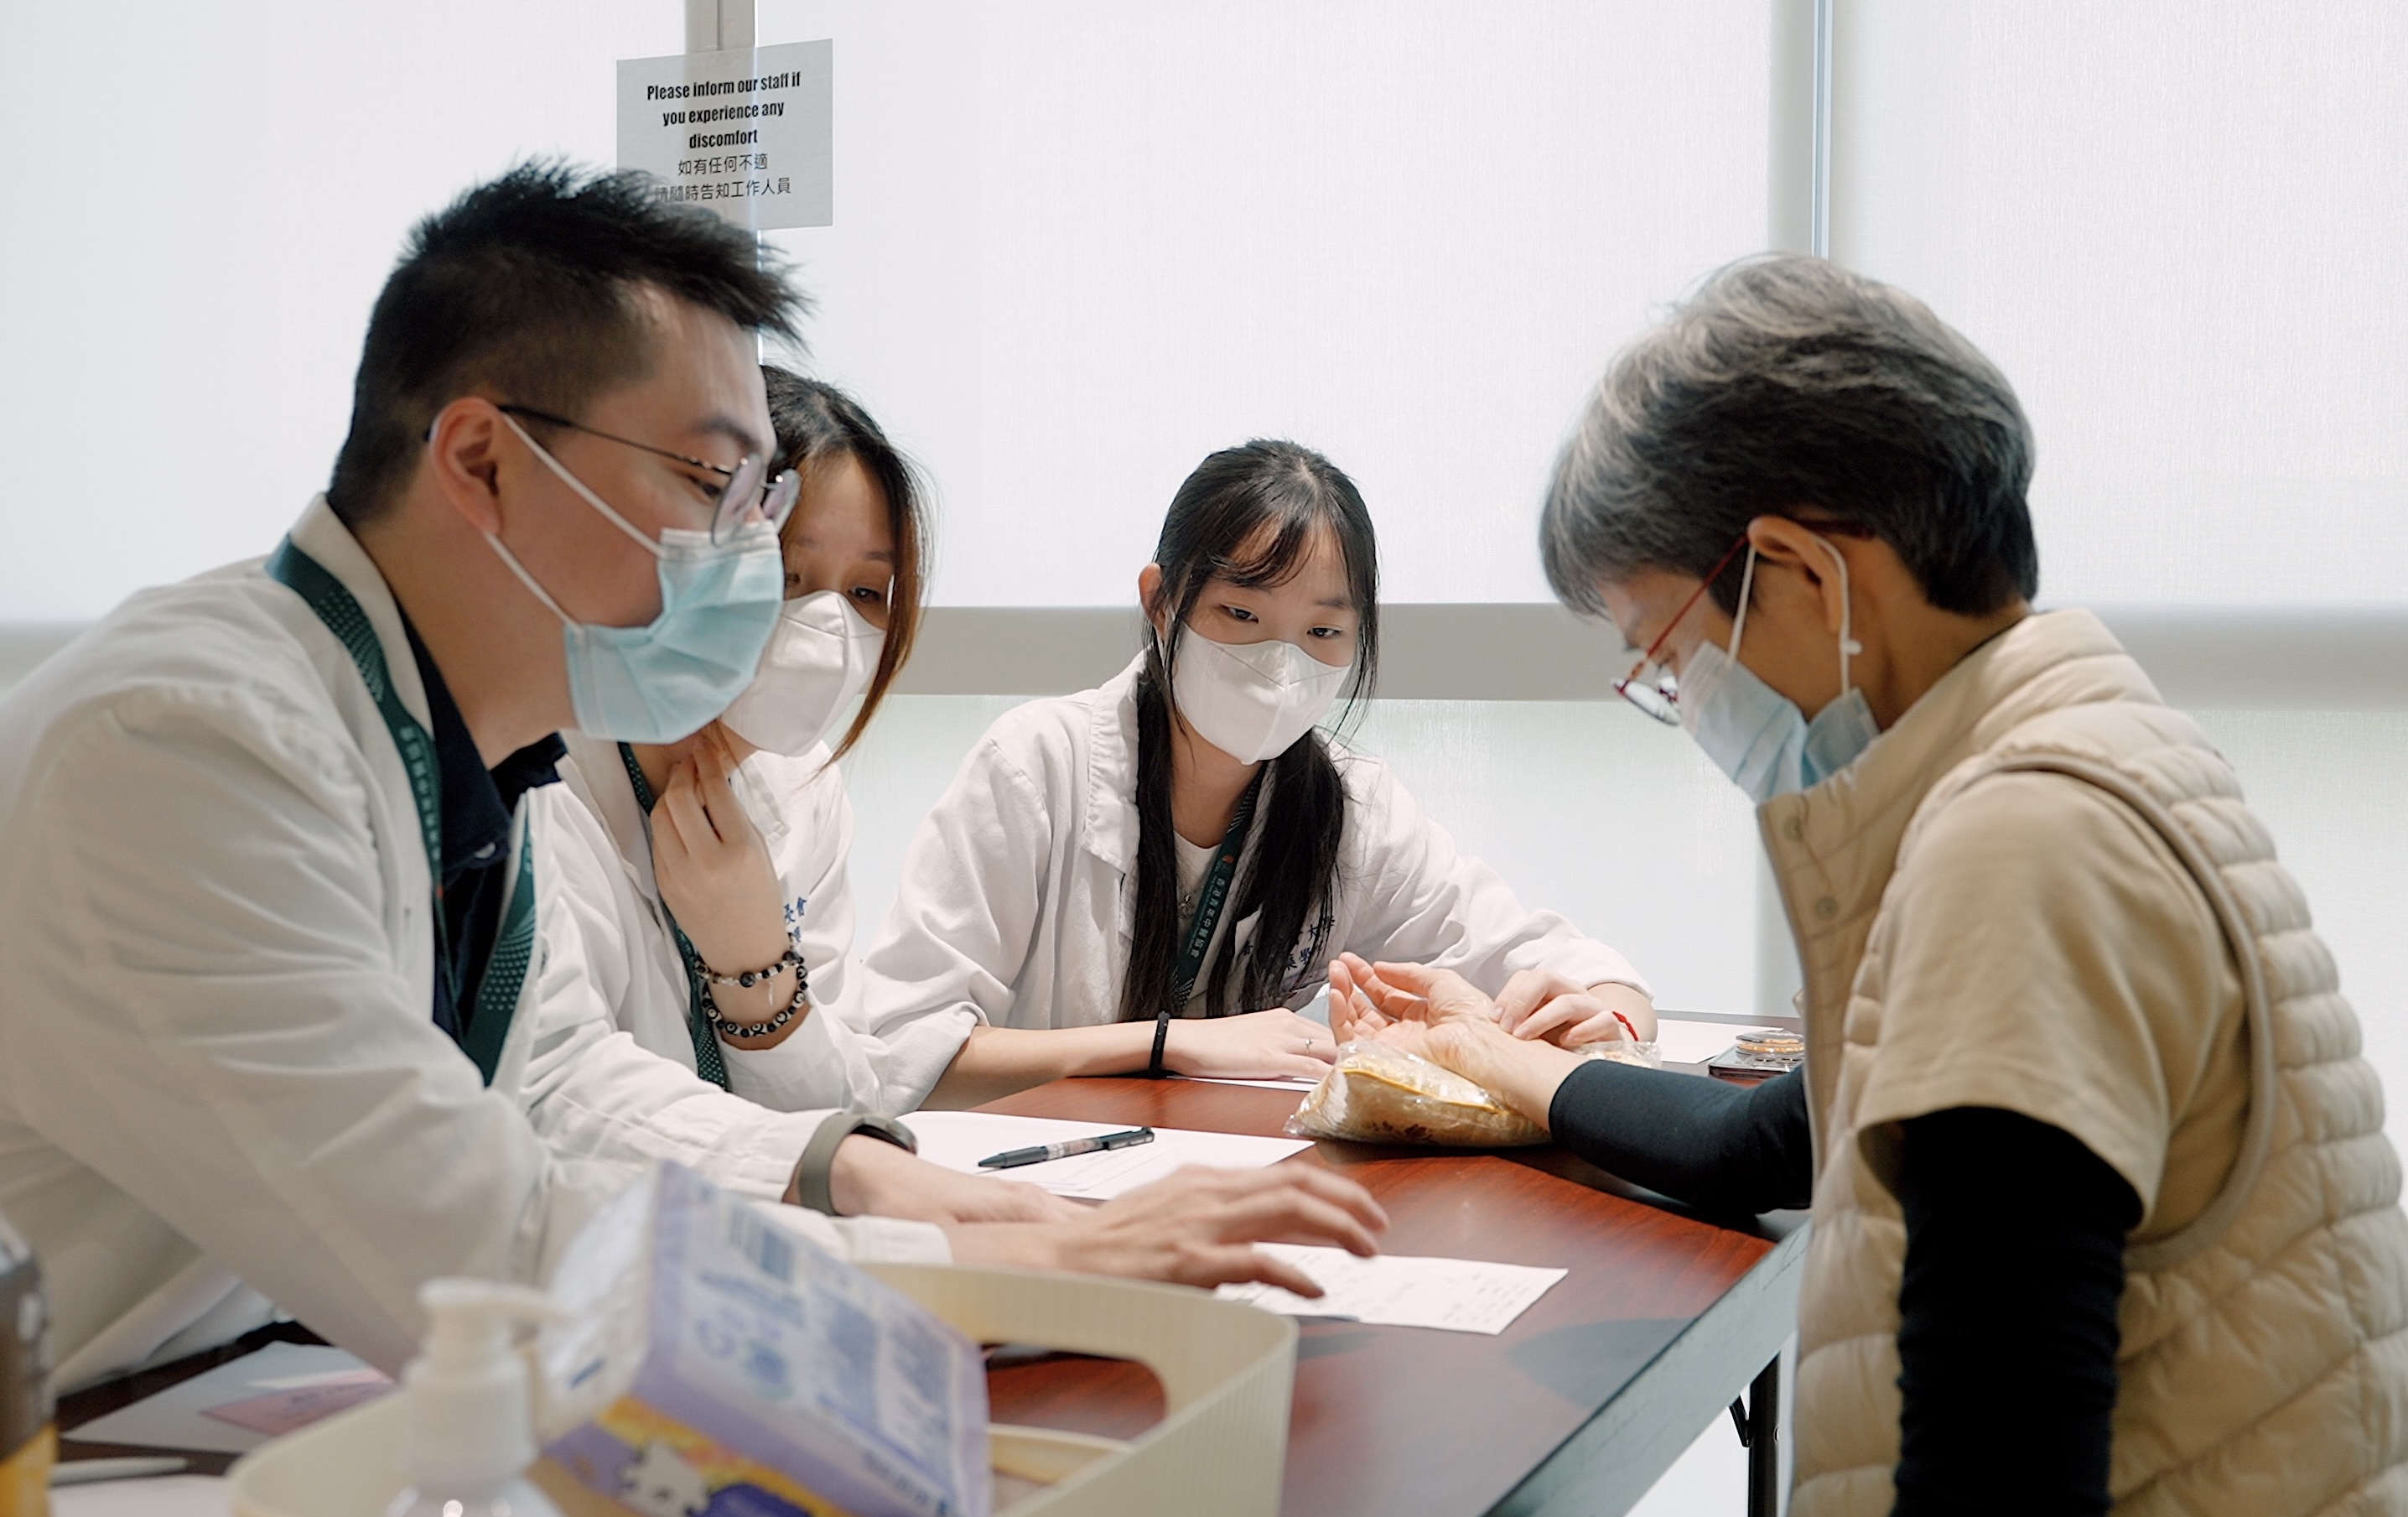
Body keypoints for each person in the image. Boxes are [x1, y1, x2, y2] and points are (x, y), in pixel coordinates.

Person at [0, 165, 1385, 1390]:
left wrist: (894, 1183)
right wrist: (1019, 1264)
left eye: (758, 503)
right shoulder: (188, 748)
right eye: (712, 484)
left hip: (230, 1377)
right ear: (482, 459)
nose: (744, 560)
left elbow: (555, 1079)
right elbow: (479, 1241)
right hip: (89, 1420)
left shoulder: (456, 740)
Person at [1326, 255, 2408, 1517]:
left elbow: (1994, 1496)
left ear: (1799, 571)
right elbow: (1766, 1145)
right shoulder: (2089, 754)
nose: (1681, 702)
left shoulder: (2019, 848)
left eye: (1665, 654)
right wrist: (1491, 1057)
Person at [859, 438, 1656, 1110]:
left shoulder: (1350, 809)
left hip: (1230, 1187)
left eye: (1322, 632)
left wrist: (1608, 1023)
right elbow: (903, 1051)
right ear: (1161, 601)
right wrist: (1169, 1045)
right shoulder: (1036, 766)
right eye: (1242, 616)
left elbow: (1570, 968)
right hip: (1031, 1195)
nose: (1281, 665)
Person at [544, 368, 957, 1112]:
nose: (828, 624)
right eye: (787, 573)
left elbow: (845, 1101)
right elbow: (572, 1106)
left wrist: (754, 965)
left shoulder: (804, 790)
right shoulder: (544, 785)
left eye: (866, 592)